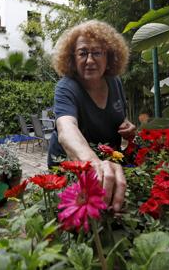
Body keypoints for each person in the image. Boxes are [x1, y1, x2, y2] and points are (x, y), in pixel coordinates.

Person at [48, 20, 136, 213]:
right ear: (72, 58)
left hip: (108, 162)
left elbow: (120, 116)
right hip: (71, 166)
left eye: (97, 52)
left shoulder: (115, 82)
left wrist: (128, 127)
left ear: (109, 57)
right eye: (82, 53)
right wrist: (93, 163)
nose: (89, 60)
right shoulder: (66, 87)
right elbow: (66, 129)